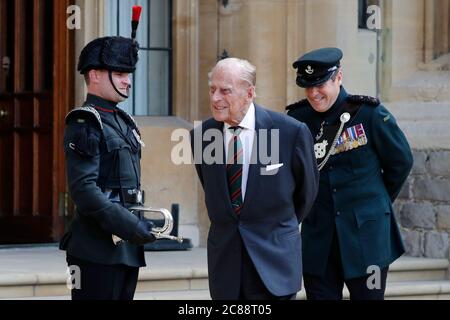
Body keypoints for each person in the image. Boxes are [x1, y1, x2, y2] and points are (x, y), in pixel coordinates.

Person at [286, 47, 413, 300]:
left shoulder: (369, 114)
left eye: (320, 85)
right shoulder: (297, 119)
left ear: (339, 77)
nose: (313, 93)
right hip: (318, 240)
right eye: (307, 87)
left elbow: (401, 162)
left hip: (368, 238)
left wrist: (374, 203)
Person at [190, 58, 319, 300]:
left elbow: (306, 194)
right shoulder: (201, 136)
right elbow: (215, 192)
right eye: (212, 89)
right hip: (226, 269)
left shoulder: (290, 132)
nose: (215, 98)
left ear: (249, 93)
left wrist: (275, 226)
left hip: (274, 265)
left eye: (225, 91)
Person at [59, 35, 156, 300]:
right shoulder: (85, 121)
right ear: (95, 75)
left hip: (124, 249)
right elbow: (84, 190)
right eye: (120, 73)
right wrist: (128, 225)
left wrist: (138, 223)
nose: (128, 80)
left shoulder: (122, 120)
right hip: (95, 249)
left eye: (129, 74)